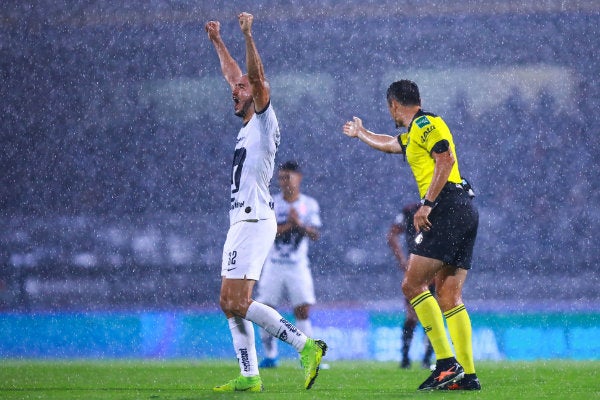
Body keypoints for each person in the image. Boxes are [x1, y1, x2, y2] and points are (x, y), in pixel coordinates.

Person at [205, 13, 327, 393]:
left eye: (242, 88)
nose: (235, 89)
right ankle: (250, 374)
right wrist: (218, 42)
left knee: (238, 300)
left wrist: (247, 34)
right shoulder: (245, 126)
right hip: (239, 222)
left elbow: (253, 79)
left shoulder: (264, 120)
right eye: (234, 88)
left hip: (255, 219)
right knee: (229, 302)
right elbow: (234, 75)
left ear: (257, 93)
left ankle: (306, 346)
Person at [342, 79, 481, 391]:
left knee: (412, 284)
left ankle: (446, 364)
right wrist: (361, 134)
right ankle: (468, 376)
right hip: (463, 209)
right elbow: (392, 143)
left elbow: (445, 160)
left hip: (446, 207)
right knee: (448, 295)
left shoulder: (427, 123)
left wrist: (427, 204)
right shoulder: (416, 132)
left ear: (394, 104)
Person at [256, 161, 322, 368]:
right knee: (265, 310)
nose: (283, 182)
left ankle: (307, 355)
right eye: (281, 178)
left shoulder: (310, 204)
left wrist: (299, 224)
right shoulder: (271, 202)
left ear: (298, 178)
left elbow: (315, 234)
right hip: (273, 265)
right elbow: (265, 233)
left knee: (302, 311)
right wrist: (289, 225)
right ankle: (271, 355)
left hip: (298, 266)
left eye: (288, 177)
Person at [387, 203, 434, 370]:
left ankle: (427, 359)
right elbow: (391, 235)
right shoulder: (410, 211)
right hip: (417, 272)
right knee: (414, 316)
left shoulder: (440, 209)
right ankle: (408, 358)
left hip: (434, 272)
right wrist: (403, 261)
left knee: (428, 317)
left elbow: (391, 235)